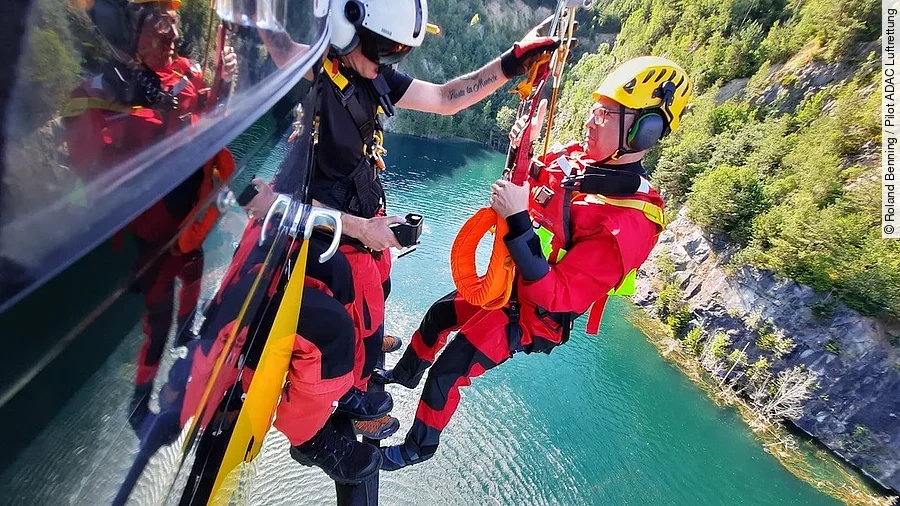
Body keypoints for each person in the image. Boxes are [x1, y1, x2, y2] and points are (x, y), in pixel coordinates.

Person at [241, 0, 562, 476]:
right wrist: (362, 228)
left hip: (361, 217)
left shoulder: (373, 75)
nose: (388, 61)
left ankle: (361, 374)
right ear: (346, 30)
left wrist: (511, 62)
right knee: (341, 326)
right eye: (384, 49)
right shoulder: (315, 72)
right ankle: (317, 428)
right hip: (330, 226)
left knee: (375, 296)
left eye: (398, 52)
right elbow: (277, 41)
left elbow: (447, 98)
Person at [373, 56, 693, 470]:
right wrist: (523, 142)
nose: (590, 121)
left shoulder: (630, 222)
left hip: (534, 316)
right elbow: (529, 178)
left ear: (644, 129)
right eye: (594, 109)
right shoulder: (579, 163)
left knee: (449, 372)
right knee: (438, 316)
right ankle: (404, 374)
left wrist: (519, 217)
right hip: (510, 284)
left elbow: (556, 294)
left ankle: (418, 448)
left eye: (606, 113)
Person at [62, 0, 237, 431]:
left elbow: (211, 117)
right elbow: (96, 176)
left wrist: (225, 84)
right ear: (126, 33)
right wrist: (154, 122)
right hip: (149, 234)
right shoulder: (96, 97)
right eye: (161, 25)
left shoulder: (185, 74)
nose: (173, 35)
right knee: (157, 318)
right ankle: (139, 401)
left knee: (193, 265)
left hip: (186, 215)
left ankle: (187, 329)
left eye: (173, 24)